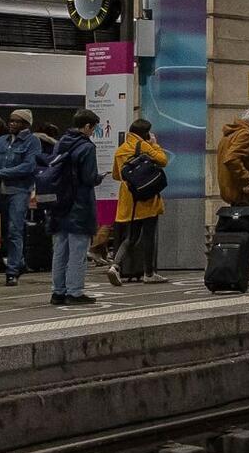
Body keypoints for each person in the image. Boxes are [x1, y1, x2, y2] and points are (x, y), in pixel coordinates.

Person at [46, 110, 102, 306]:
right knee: (78, 250)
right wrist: (98, 178)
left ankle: (57, 291)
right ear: (87, 126)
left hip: (59, 203)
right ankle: (75, 292)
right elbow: (88, 177)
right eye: (93, 128)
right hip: (79, 203)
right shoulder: (87, 147)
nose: (93, 132)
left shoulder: (61, 143)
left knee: (60, 250)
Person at [107, 118, 169, 285]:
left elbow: (116, 175)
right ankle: (149, 273)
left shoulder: (120, 150)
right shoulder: (145, 146)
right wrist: (155, 144)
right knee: (148, 235)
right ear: (145, 134)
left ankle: (115, 266)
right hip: (147, 197)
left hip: (129, 198)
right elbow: (163, 160)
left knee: (131, 237)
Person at [0, 109, 41, 287]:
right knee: (3, 232)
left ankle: (12, 271)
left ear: (26, 124)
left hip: (19, 191)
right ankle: (20, 262)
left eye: (17, 121)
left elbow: (28, 166)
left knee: (14, 230)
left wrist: (0, 173)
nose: (12, 124)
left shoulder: (32, 142)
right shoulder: (1, 141)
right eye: (11, 120)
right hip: (0, 192)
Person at [216, 108, 249, 206]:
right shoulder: (246, 135)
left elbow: (232, 156)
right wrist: (247, 183)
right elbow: (232, 158)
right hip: (242, 194)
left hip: (232, 191)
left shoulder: (231, 134)